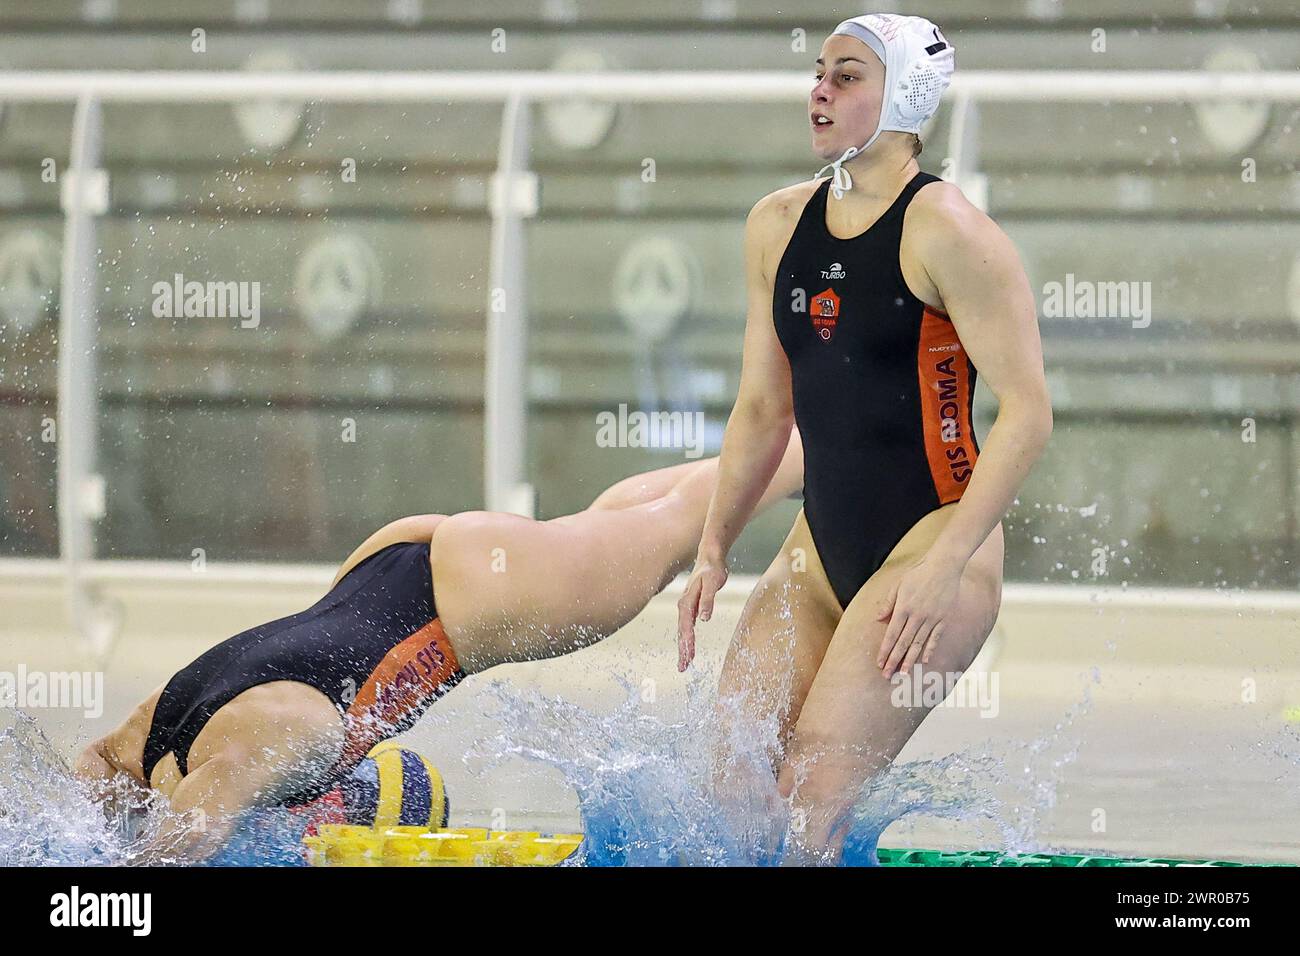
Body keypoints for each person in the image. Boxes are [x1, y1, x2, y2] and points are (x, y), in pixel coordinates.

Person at [676, 13, 1053, 863]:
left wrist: (946, 565)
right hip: (820, 551)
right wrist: (713, 545)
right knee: (728, 787)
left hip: (934, 547)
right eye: (819, 72)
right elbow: (763, 409)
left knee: (811, 801)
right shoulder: (776, 226)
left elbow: (1029, 413)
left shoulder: (947, 230)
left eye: (848, 76)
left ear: (905, 99)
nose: (819, 89)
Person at [74, 434, 805, 861]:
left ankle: (847, 435)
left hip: (475, 604)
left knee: (677, 525)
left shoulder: (281, 741)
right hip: (394, 566)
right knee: (623, 523)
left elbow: (201, 821)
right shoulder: (154, 735)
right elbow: (91, 768)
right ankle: (809, 430)